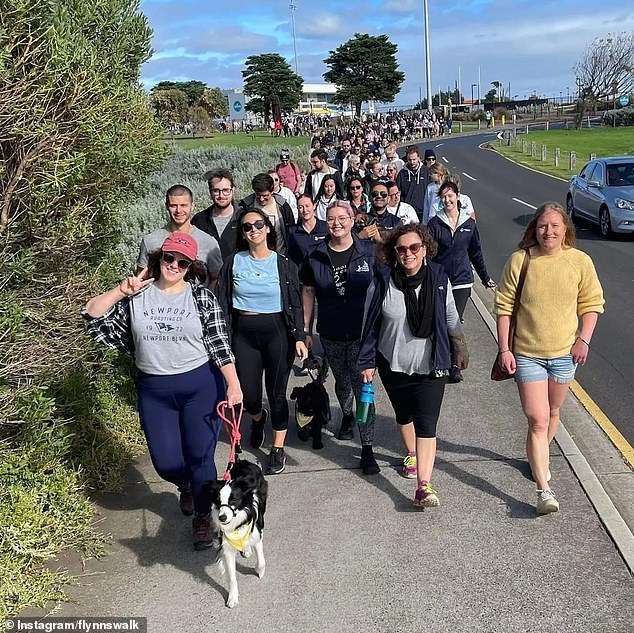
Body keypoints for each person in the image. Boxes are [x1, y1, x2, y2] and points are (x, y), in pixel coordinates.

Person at [83, 233, 242, 550]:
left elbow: (220, 345)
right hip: (155, 389)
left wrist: (234, 384)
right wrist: (120, 290)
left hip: (200, 385)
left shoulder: (201, 299)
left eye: (183, 262)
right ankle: (187, 485)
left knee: (200, 457)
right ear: (159, 258)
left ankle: (202, 516)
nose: (174, 265)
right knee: (166, 462)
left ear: (190, 267)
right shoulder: (135, 298)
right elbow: (91, 314)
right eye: (169, 258)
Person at [494, 202, 604, 515]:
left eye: (555, 226)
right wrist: (505, 349)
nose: (549, 232)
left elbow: (592, 304)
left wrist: (584, 339)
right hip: (528, 354)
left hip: (565, 354)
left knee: (553, 411)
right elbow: (503, 307)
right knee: (538, 419)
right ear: (535, 228)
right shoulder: (521, 260)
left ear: (565, 229)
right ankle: (544, 489)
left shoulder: (579, 261)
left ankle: (536, 456)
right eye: (543, 226)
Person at [358, 224, 466, 506]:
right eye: (402, 249)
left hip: (431, 366)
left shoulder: (440, 278)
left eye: (414, 248)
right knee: (403, 414)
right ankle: (411, 453)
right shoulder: (382, 282)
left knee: (427, 423)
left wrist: (459, 345)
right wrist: (367, 361)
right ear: (394, 252)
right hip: (392, 364)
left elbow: (451, 317)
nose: (409, 253)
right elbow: (369, 325)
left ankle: (424, 486)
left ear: (425, 249)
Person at [217, 209, 308, 476]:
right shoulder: (233, 262)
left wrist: (300, 337)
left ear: (268, 228)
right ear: (243, 234)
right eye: (247, 227)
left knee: (278, 394)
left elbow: (295, 302)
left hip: (277, 333)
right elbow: (223, 303)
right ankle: (258, 418)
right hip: (243, 333)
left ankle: (277, 448)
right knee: (250, 396)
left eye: (259, 224)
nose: (253, 229)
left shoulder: (283, 263)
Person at [300, 201, 383, 475]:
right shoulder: (316, 255)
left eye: (342, 218)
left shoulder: (369, 253)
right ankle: (346, 414)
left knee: (364, 392)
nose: (337, 223)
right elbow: (309, 292)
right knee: (342, 385)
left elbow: (385, 289)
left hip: (363, 336)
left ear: (352, 219)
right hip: (332, 333)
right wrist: (305, 330)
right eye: (331, 218)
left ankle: (368, 449)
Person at [427, 181, 496, 382]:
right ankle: (441, 362)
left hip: (462, 281)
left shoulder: (469, 223)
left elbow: (476, 252)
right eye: (444, 197)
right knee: (440, 320)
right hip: (440, 279)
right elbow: (429, 254)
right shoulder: (435, 223)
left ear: (458, 197)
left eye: (450, 196)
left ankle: (455, 365)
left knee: (454, 320)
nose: (447, 200)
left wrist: (485, 278)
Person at [137, 185, 222, 288]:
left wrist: (205, 300)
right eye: (173, 205)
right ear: (166, 206)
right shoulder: (150, 241)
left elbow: (216, 278)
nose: (178, 210)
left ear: (192, 206)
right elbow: (141, 278)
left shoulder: (208, 242)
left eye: (183, 205)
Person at [238, 173, 296, 256]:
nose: (261, 199)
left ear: (272, 192)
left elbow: (291, 231)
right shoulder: (246, 206)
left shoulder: (282, 206)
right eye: (258, 195)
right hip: (255, 257)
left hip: (280, 255)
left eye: (265, 195)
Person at [191, 168, 240, 261]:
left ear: (233, 191)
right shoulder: (200, 220)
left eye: (226, 190)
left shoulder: (244, 217)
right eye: (216, 191)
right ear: (210, 192)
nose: (221, 195)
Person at [287, 195, 328, 268]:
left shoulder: (326, 227)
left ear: (314, 206)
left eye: (307, 206)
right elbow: (291, 257)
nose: (305, 210)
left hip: (324, 273)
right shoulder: (293, 231)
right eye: (301, 207)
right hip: (303, 277)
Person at [396, 145, 430, 220]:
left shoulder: (426, 171)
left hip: (423, 211)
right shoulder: (402, 173)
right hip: (407, 212)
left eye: (414, 159)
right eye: (409, 160)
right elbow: (398, 191)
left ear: (418, 158)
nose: (412, 162)